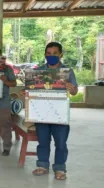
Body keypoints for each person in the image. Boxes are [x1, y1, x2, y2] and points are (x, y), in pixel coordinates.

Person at [31, 42, 78, 181]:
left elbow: (75, 91)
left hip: (60, 113)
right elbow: (32, 90)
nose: (51, 56)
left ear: (60, 55)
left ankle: (59, 168)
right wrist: (26, 91)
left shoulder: (67, 72)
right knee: (43, 142)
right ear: (45, 54)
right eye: (48, 53)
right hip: (41, 113)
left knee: (61, 143)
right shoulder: (38, 71)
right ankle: (43, 165)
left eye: (55, 53)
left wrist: (72, 89)